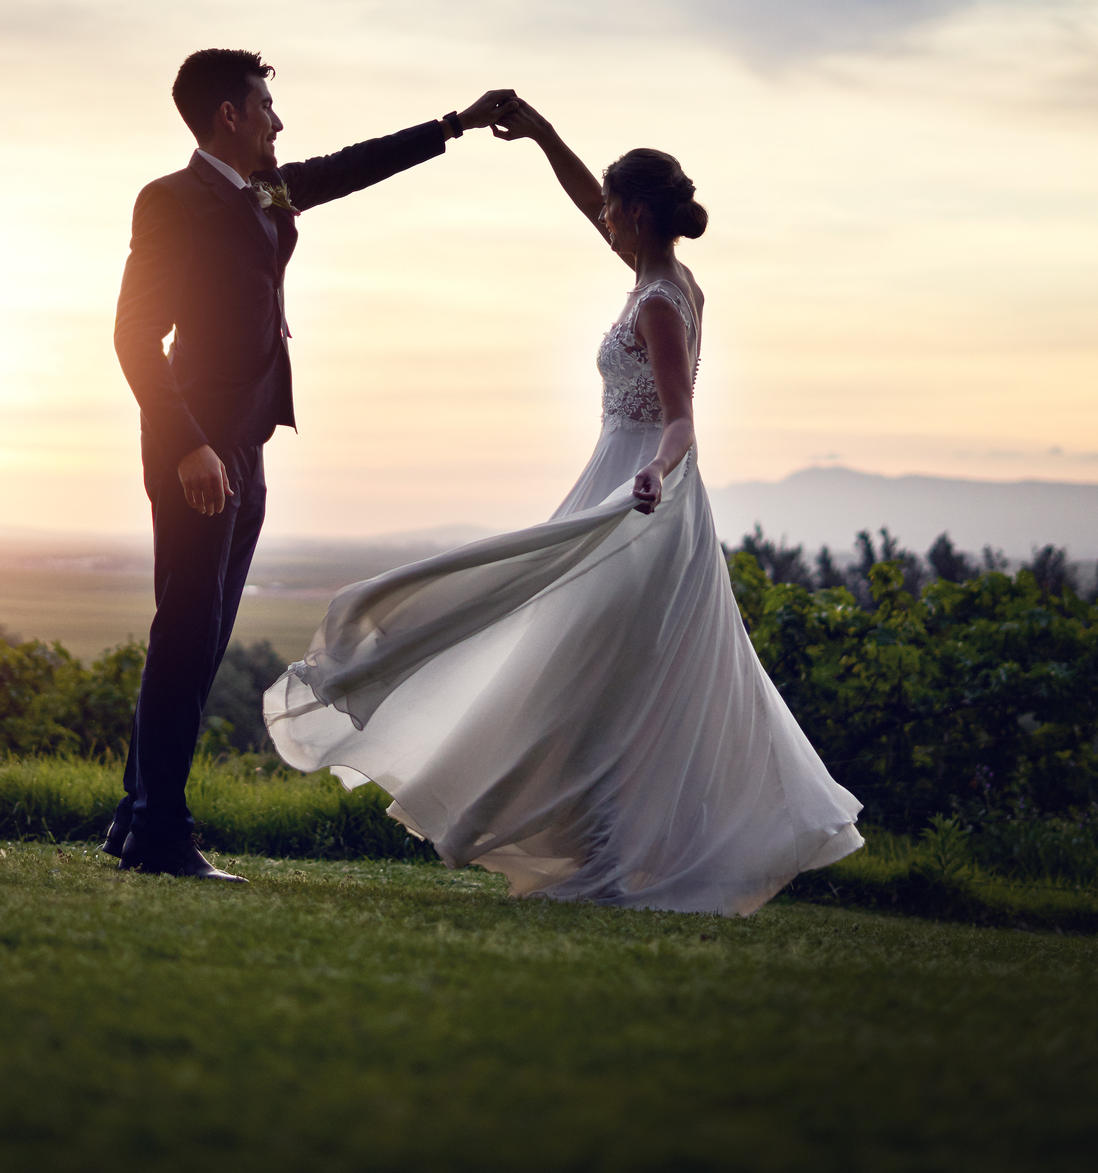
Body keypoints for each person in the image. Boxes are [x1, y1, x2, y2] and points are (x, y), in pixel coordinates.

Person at [263, 99, 864, 915]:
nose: (601, 220)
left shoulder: (662, 300)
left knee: (596, 680)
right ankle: (598, 859)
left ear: (637, 215)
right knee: (591, 679)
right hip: (623, 489)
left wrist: (654, 473)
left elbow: (682, 418)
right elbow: (589, 203)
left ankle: (605, 865)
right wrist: (542, 135)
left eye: (612, 211)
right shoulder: (661, 277)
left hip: (639, 504)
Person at [109, 47, 517, 879]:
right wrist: (188, 444)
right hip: (197, 449)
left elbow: (348, 168)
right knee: (185, 636)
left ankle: (135, 818)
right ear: (229, 114)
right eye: (266, 106)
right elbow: (134, 335)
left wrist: (453, 125)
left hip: (247, 443)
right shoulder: (171, 199)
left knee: (198, 640)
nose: (279, 121)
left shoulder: (265, 190)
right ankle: (158, 833)